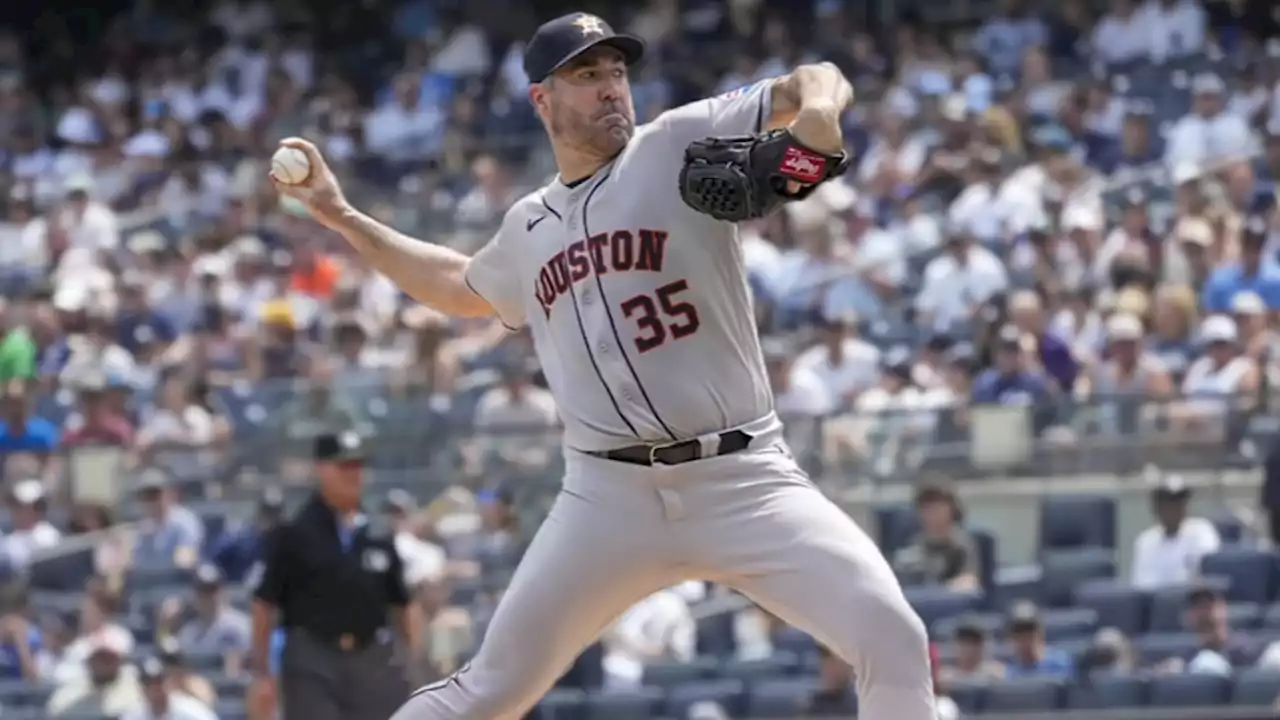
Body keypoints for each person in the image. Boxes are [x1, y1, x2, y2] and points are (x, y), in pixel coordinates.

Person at [271, 11, 934, 720]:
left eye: (617, 71)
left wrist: (821, 118)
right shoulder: (527, 225)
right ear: (541, 99)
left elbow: (816, 84)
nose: (611, 87)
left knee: (893, 636)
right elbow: (457, 286)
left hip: (744, 479)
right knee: (484, 694)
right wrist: (341, 215)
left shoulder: (675, 142)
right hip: (607, 499)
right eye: (587, 75)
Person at [249, 429, 417, 720]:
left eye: (358, 466)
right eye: (343, 466)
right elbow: (263, 604)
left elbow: (402, 605)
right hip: (313, 660)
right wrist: (262, 674)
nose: (353, 474)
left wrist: (413, 665)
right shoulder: (294, 532)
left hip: (372, 659)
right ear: (321, 469)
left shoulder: (378, 534)